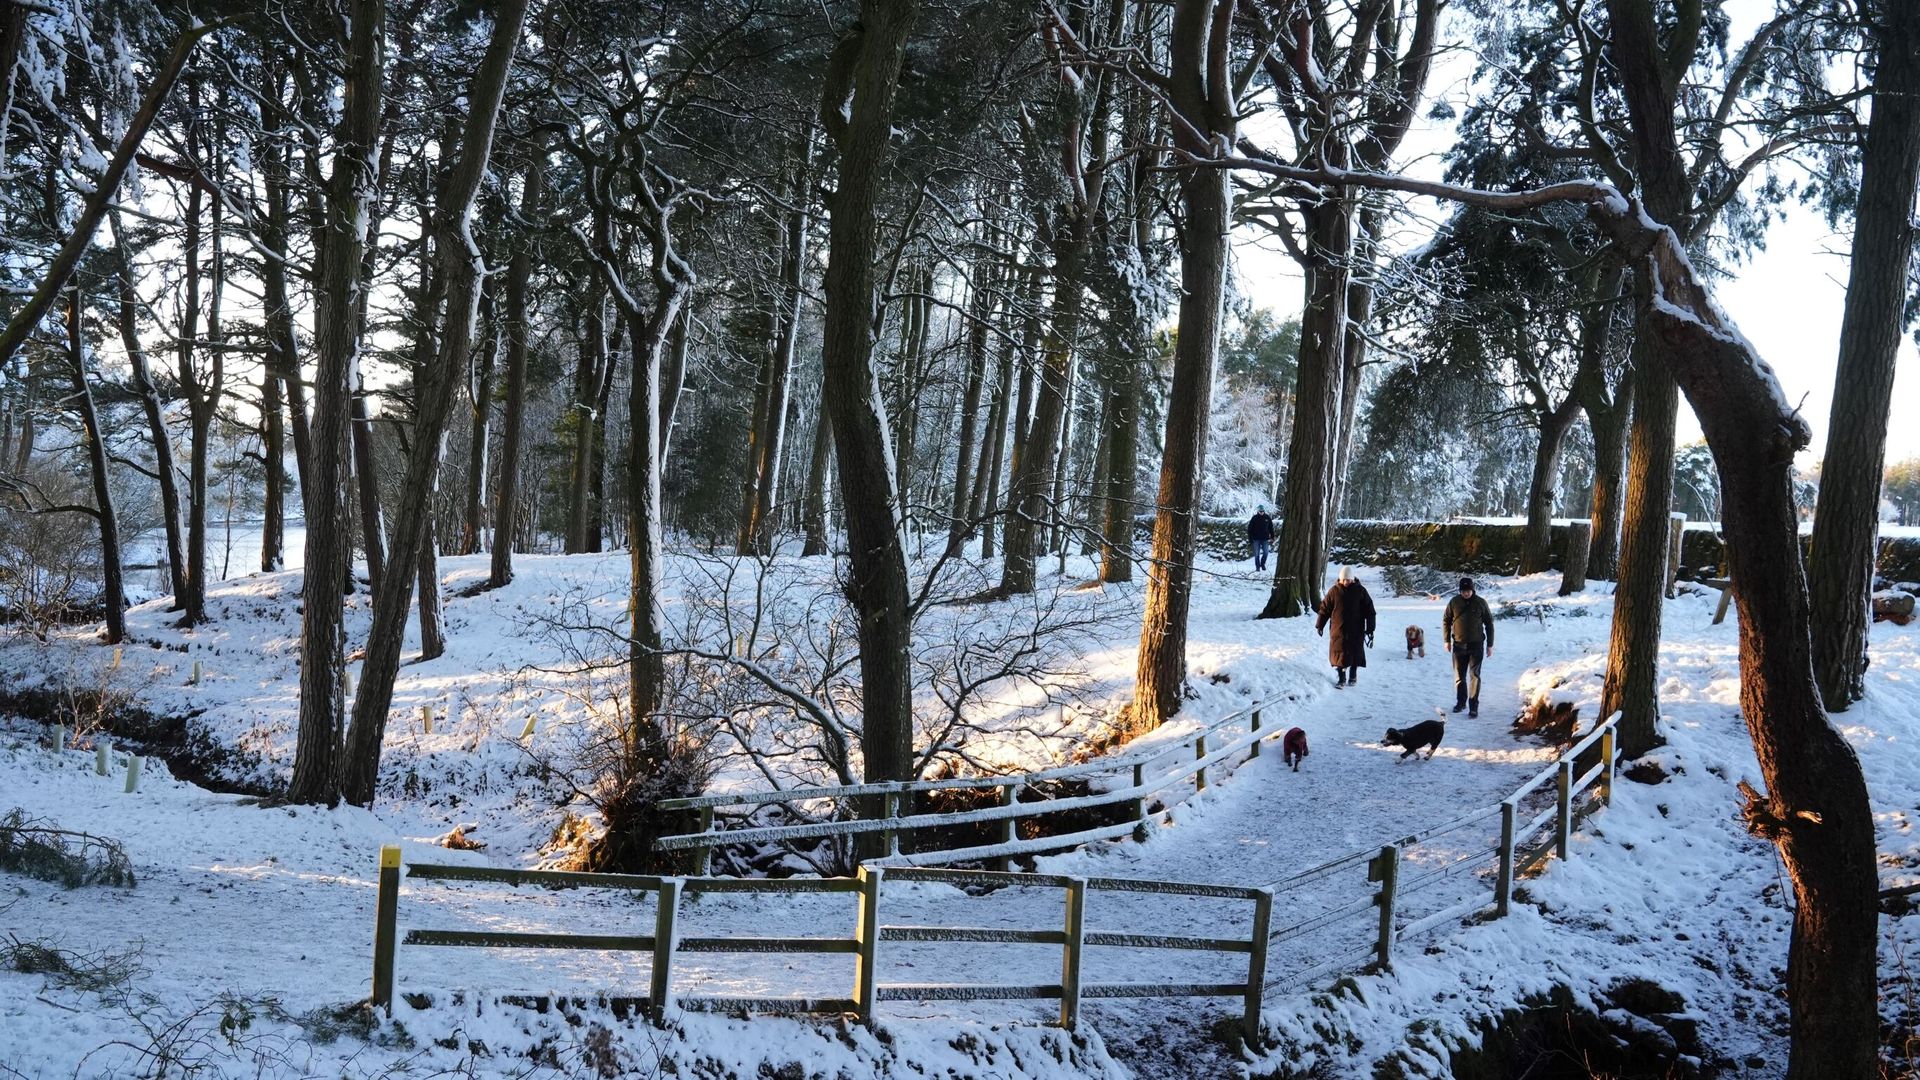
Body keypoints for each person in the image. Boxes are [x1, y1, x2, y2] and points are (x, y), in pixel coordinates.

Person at [1316, 565, 1376, 688]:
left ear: (1352, 579)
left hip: (1356, 628)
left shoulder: (1360, 591)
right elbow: (1325, 609)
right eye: (1344, 579)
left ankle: (1353, 674)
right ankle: (1341, 678)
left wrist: (1370, 629)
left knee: (1355, 652)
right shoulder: (1334, 591)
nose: (1346, 582)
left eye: (1348, 580)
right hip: (1338, 629)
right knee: (1339, 653)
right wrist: (1320, 625)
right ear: (1340, 579)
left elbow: (1369, 610)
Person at [1443, 576, 1495, 717]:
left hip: (1476, 645)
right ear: (1460, 591)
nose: (1466, 593)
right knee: (1459, 676)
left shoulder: (1480, 603)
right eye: (1463, 591)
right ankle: (1461, 702)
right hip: (1459, 645)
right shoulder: (1454, 602)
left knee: (1474, 676)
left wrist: (1490, 644)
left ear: (1473, 590)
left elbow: (1489, 624)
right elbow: (1446, 620)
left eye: (1468, 590)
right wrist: (1446, 640)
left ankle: (1473, 706)